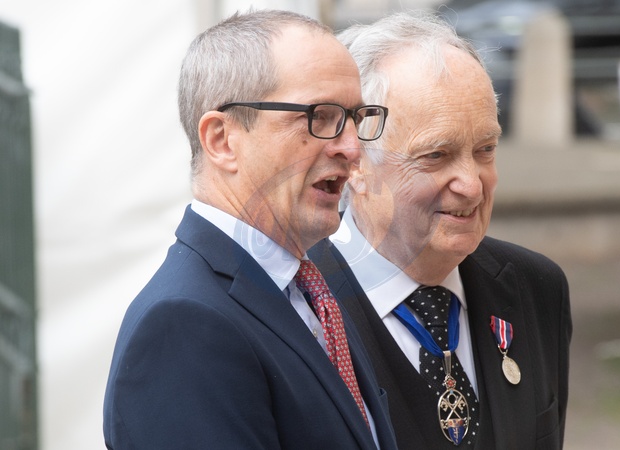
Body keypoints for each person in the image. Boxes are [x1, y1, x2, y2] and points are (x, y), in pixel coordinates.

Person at [103, 9, 396, 450]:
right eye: (320, 116)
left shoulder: (308, 288)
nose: (352, 147)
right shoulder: (184, 325)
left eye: (356, 117)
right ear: (221, 140)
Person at [309, 12, 572, 450]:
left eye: (485, 150)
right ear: (356, 164)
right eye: (435, 155)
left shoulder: (536, 289)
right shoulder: (298, 310)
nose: (472, 185)